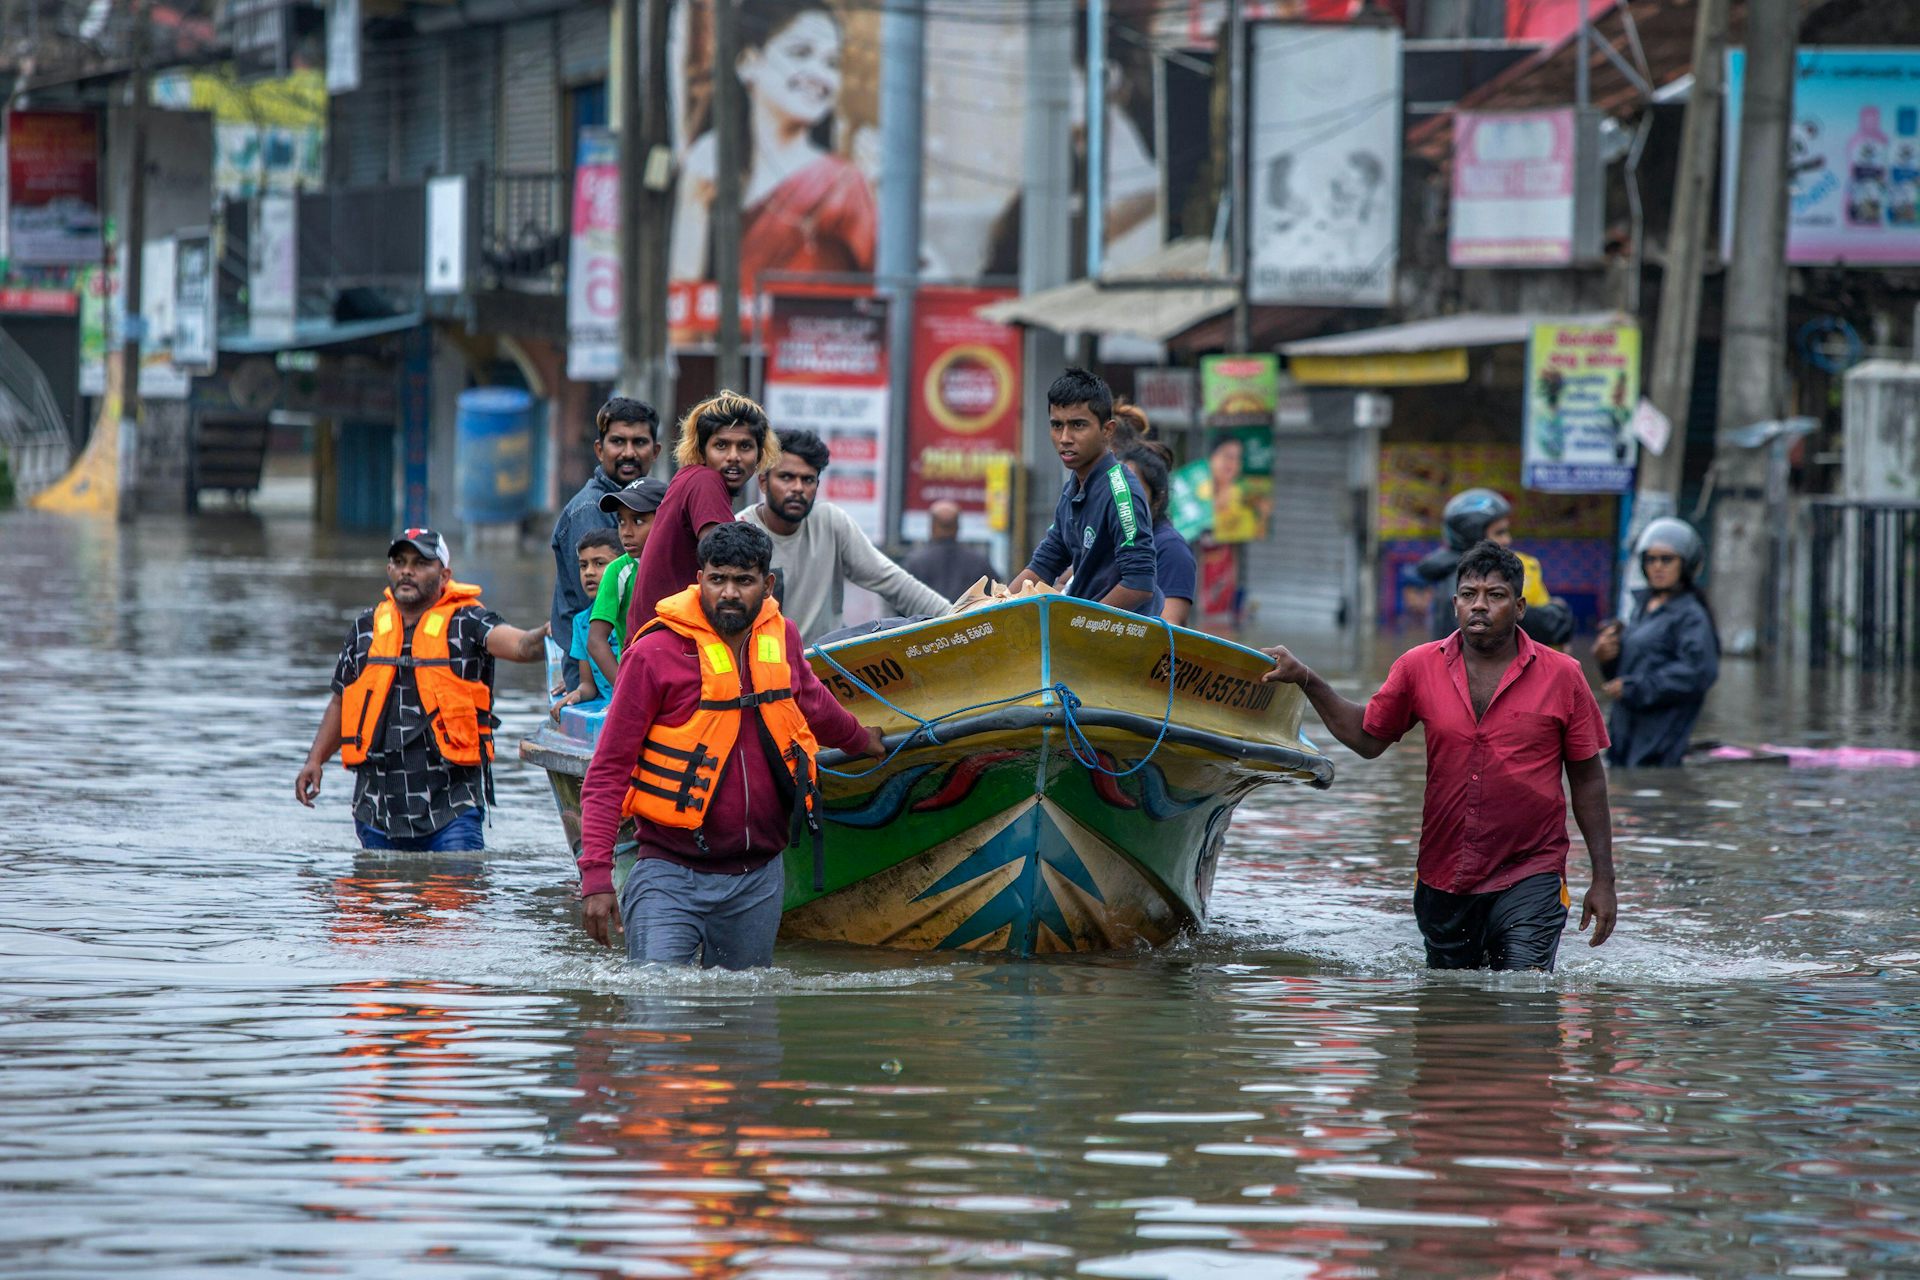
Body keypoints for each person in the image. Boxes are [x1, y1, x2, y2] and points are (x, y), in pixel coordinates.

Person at [1260, 541, 1617, 971]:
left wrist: (1603, 879)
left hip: (1531, 871)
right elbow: (1368, 739)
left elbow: (1588, 778)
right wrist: (1306, 679)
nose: (1479, 606)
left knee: (1523, 998)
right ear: (1455, 604)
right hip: (1445, 876)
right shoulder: (1417, 666)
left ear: (1520, 607)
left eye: (1496, 596)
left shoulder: (1563, 675)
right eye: (1469, 595)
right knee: (1449, 1008)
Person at [575, 523, 886, 968]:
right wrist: (597, 877)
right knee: (656, 1019)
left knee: (744, 1024)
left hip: (756, 878)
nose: (729, 593)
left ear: (767, 584)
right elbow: (608, 770)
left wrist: (862, 740)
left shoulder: (783, 640)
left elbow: (815, 704)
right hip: (669, 873)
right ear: (699, 579)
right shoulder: (654, 653)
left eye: (744, 580)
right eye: (717, 578)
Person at [296, 529, 550, 851]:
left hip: (452, 806)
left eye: (420, 563)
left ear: (444, 575)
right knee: (376, 899)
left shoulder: (469, 622)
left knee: (455, 895)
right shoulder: (366, 627)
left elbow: (522, 647)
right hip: (377, 807)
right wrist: (315, 760)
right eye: (399, 562)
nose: (407, 570)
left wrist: (548, 633)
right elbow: (341, 701)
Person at [671, 1, 876, 290]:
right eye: (800, 53)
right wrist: (695, 202)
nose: (818, 75)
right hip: (726, 336)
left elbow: (889, 301)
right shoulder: (708, 165)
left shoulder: (844, 183)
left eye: (832, 63)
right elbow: (682, 317)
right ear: (748, 63)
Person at [737, 429, 951, 642]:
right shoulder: (740, 531)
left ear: (817, 485)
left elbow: (893, 582)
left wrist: (957, 618)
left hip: (825, 665)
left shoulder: (830, 522)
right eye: (786, 477)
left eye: (808, 480)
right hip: (764, 667)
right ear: (763, 482)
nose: (798, 488)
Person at [1008, 368, 1162, 617]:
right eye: (1057, 425)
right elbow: (1046, 562)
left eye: (1078, 425)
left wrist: (1082, 624)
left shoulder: (1120, 492)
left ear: (1107, 430)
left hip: (1118, 641)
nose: (1065, 438)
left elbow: (1139, 584)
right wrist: (994, 606)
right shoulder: (1074, 487)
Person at [627, 391, 780, 636]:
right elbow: (728, 562)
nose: (733, 457)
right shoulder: (705, 482)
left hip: (658, 640)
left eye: (745, 446)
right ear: (702, 450)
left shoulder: (689, 479)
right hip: (669, 646)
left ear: (759, 454)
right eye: (721, 445)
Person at [549, 397, 659, 689]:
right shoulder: (589, 510)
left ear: (656, 451)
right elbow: (598, 608)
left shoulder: (656, 505)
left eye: (639, 442)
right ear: (600, 450)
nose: (628, 453)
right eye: (618, 442)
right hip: (599, 669)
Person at [1594, 517, 1720, 767]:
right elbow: (1628, 670)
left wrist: (1637, 687)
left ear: (1685, 564)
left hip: (1661, 734)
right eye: (1651, 559)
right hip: (1626, 728)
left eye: (1667, 559)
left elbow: (1698, 672)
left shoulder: (1691, 615)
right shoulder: (1642, 608)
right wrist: (1607, 657)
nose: (1657, 567)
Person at [1413, 488, 1573, 647]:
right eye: (1499, 533)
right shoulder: (1464, 581)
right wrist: (1558, 613)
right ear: (1474, 537)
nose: (1507, 540)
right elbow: (1529, 625)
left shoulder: (1457, 574)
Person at [567, 476, 671, 715]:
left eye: (637, 521)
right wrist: (627, 691)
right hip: (639, 676)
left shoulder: (684, 564)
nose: (626, 532)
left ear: (665, 519)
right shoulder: (618, 571)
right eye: (621, 522)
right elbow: (595, 640)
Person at [551, 527, 622, 718]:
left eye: (599, 563)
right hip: (604, 711)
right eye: (583, 566)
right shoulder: (581, 622)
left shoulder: (635, 614)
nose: (589, 572)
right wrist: (578, 693)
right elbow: (589, 684)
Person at [1122, 445, 1197, 626]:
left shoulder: (1171, 548)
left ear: (1158, 498)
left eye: (1133, 491)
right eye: (1118, 489)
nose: (1121, 500)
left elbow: (1168, 629)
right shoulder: (1113, 539)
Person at [900, 500, 1000, 602]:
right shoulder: (979, 562)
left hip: (926, 618)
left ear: (932, 526)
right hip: (967, 618)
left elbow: (902, 599)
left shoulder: (915, 562)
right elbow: (995, 596)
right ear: (957, 526)